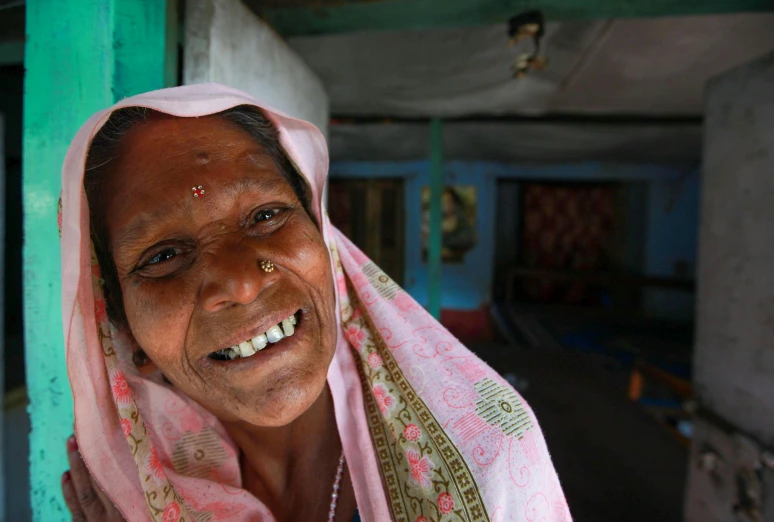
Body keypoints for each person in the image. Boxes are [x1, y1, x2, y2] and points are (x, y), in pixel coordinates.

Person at [59, 84, 571, 522]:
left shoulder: (491, 469)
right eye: (164, 255)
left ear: (325, 241)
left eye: (265, 216)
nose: (240, 284)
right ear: (123, 328)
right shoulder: (136, 494)